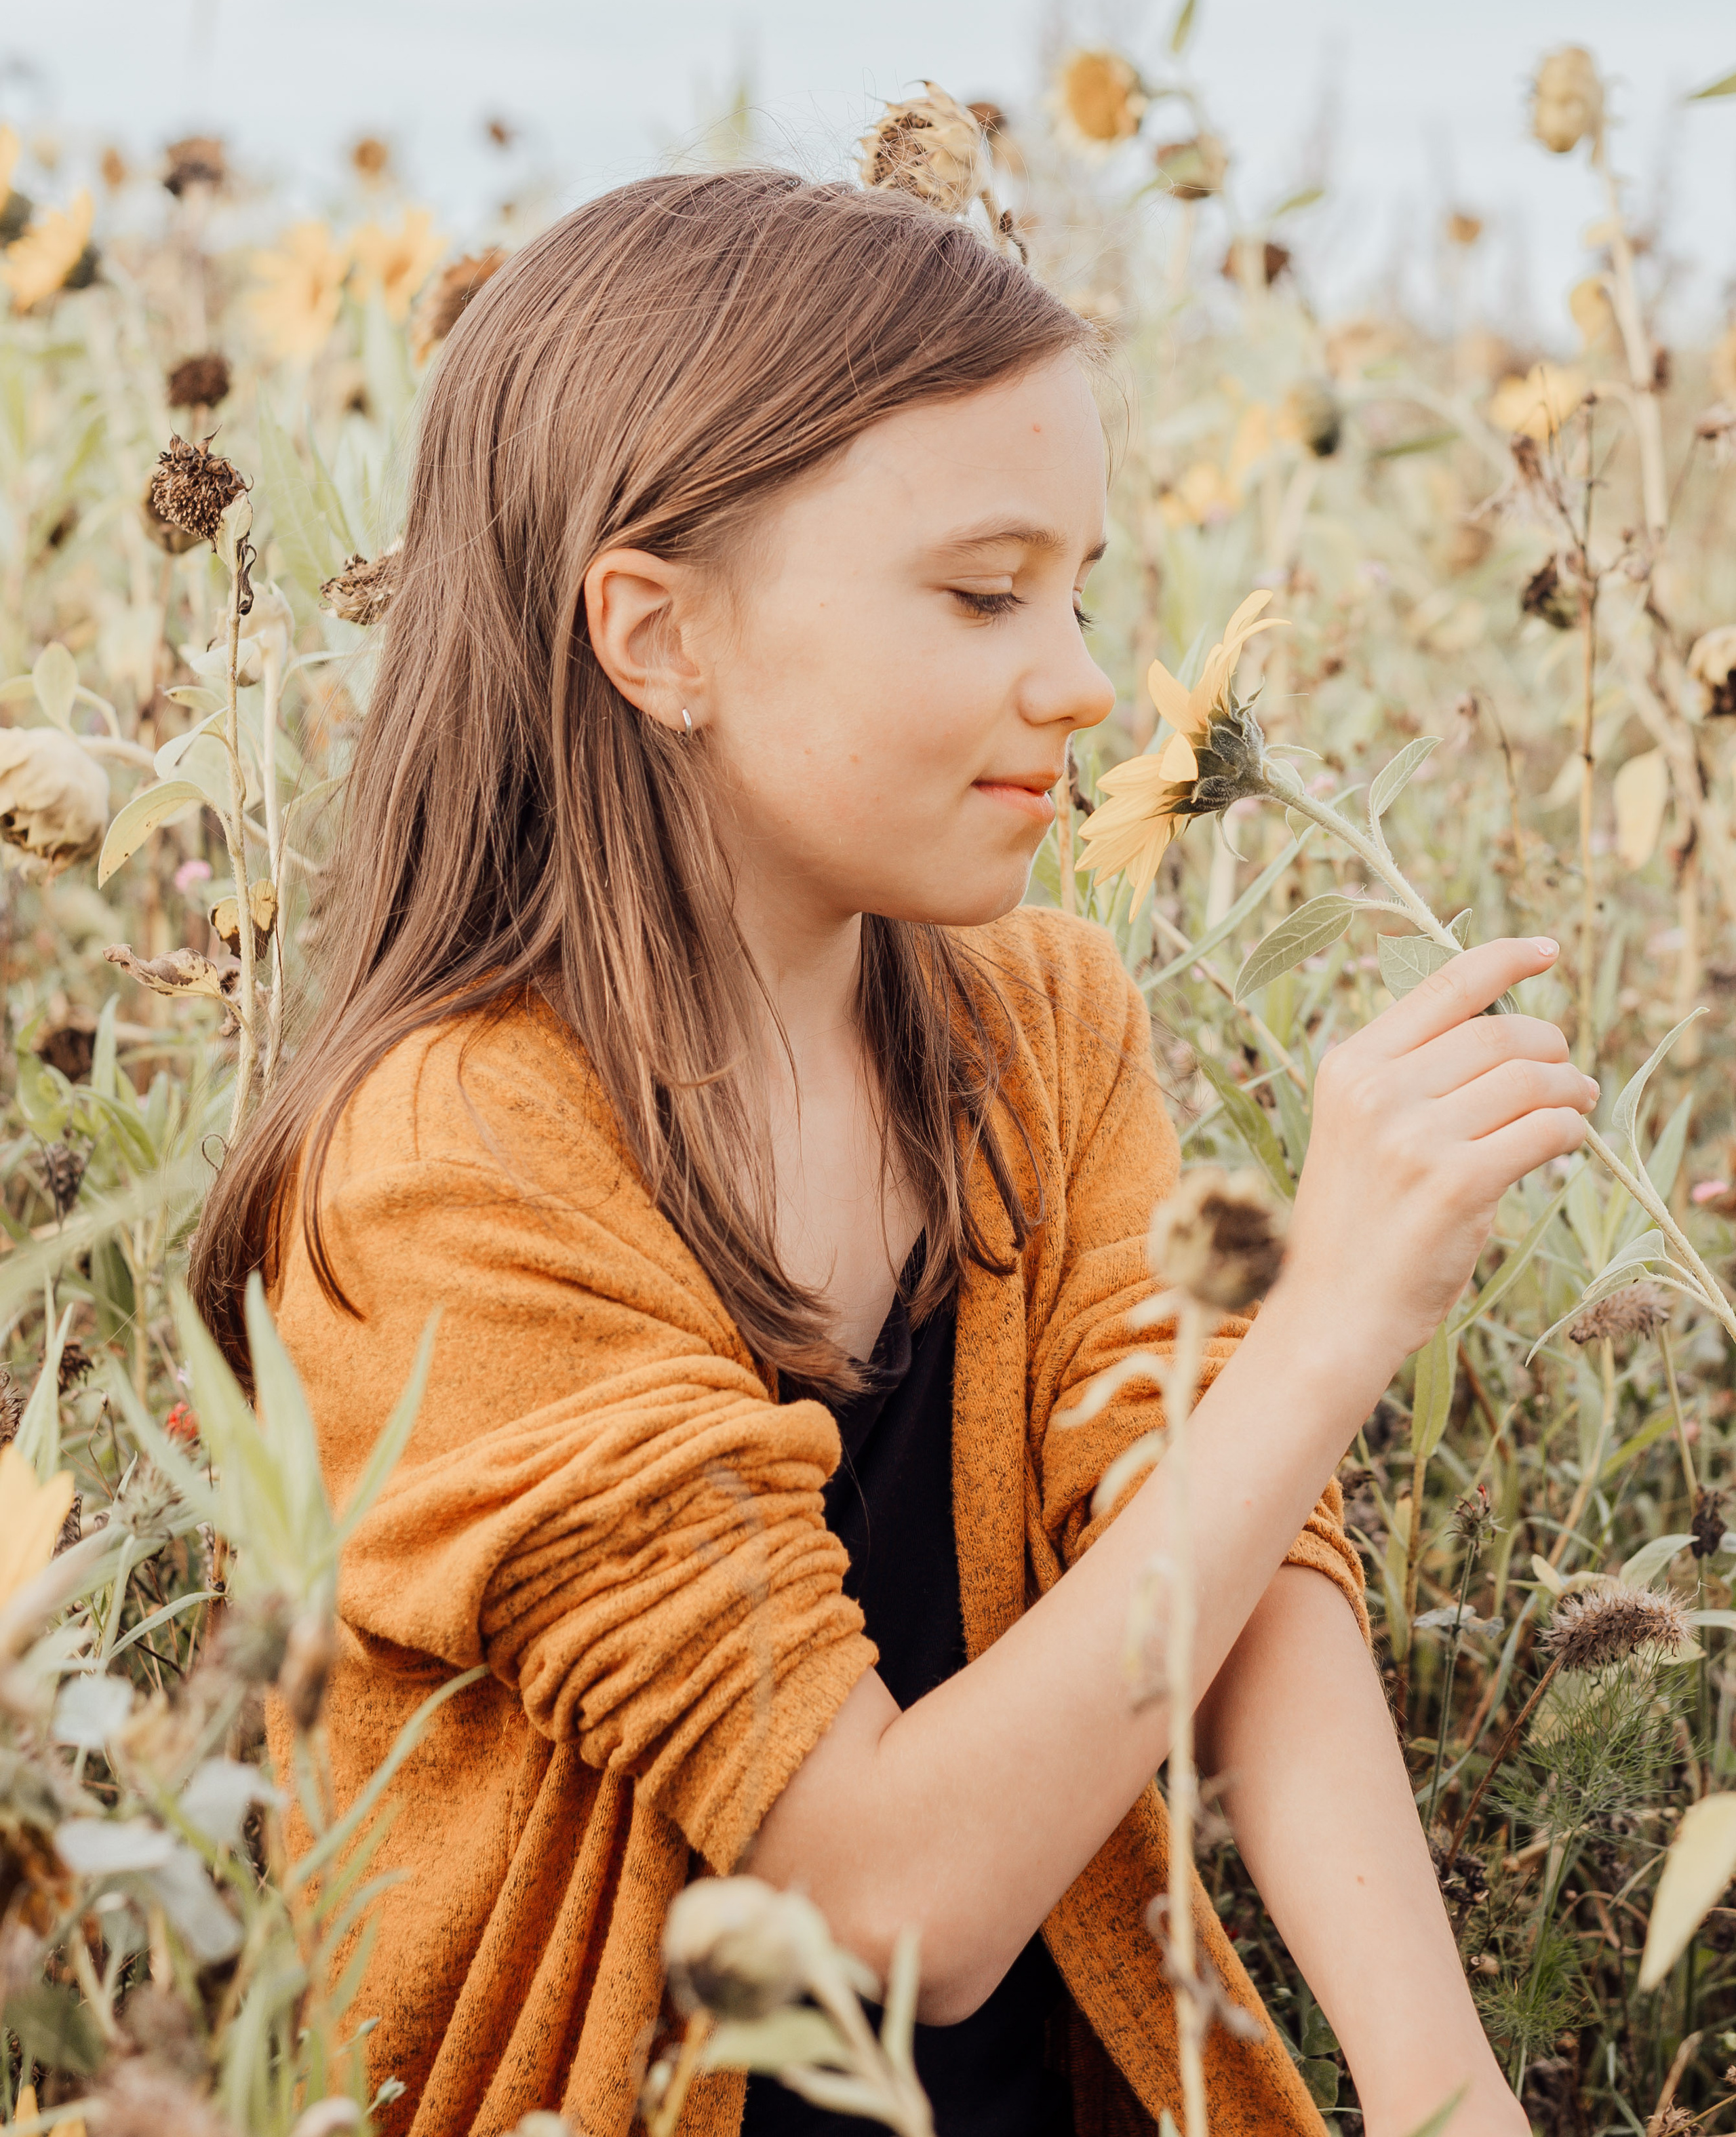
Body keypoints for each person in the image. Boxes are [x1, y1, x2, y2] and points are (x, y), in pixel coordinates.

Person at [193, 170, 1595, 2137]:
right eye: (982, 588)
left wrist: (1449, 2098)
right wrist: (1337, 1315)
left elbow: (1237, 1557)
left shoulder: (1042, 1021)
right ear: (656, 634)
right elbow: (884, 1894)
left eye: (1084, 583)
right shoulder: (445, 1162)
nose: (1090, 677)